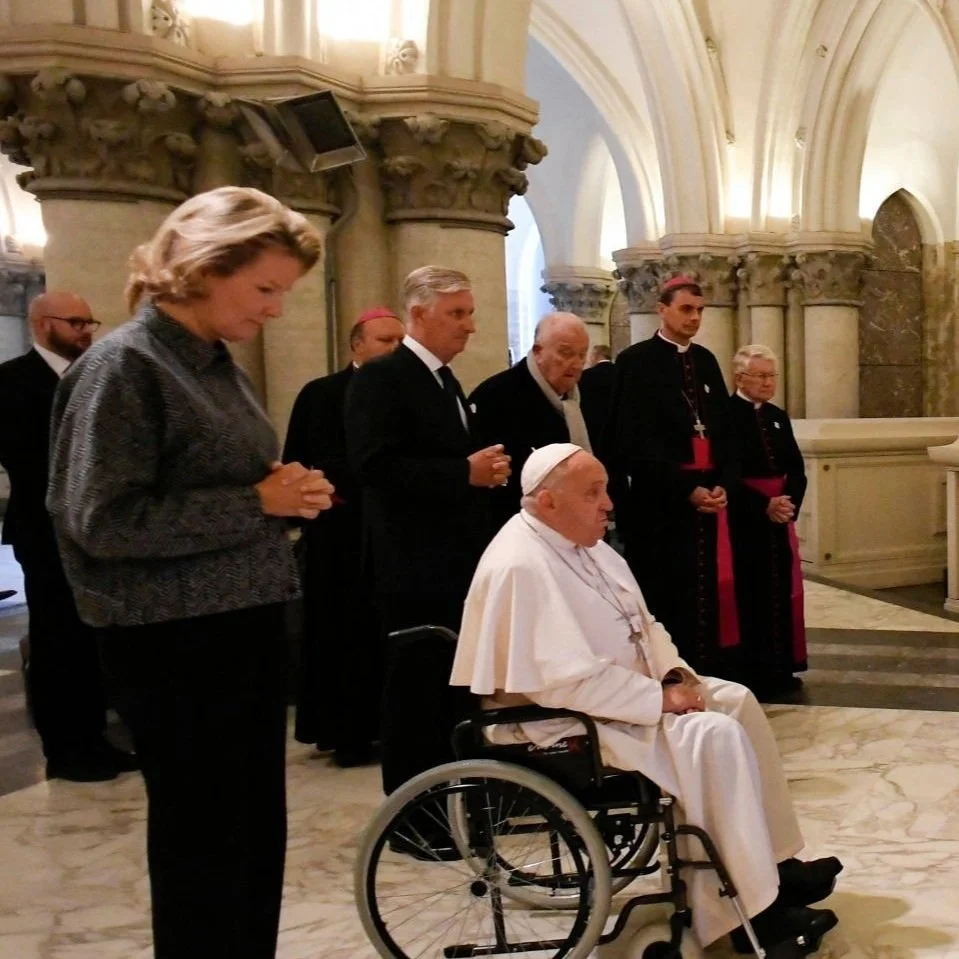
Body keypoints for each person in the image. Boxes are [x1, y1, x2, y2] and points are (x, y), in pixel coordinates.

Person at [46, 186, 334, 959]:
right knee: (203, 852)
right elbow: (98, 520)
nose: (275, 309)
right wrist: (255, 501)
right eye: (265, 288)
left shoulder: (212, 364)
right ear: (204, 267)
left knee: (250, 842)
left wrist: (282, 494)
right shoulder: (124, 365)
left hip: (235, 628)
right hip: (173, 645)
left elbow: (213, 486)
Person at [451, 443, 841, 957]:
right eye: (593, 494)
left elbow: (645, 624)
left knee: (736, 700)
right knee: (712, 734)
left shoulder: (586, 543)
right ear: (546, 501)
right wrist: (661, 700)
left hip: (617, 697)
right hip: (559, 721)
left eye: (606, 490)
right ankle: (751, 916)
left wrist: (676, 674)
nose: (608, 504)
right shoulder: (520, 565)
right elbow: (560, 683)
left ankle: (775, 866)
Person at [345, 265, 510, 817]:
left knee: (448, 691)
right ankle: (414, 815)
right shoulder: (383, 378)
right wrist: (462, 472)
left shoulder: (445, 380)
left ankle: (454, 803)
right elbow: (374, 466)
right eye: (456, 314)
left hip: (453, 561)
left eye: (469, 312)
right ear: (418, 315)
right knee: (415, 692)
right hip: (411, 566)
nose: (469, 326)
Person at [0, 291, 136, 782]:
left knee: (92, 639)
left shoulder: (98, 376)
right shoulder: (12, 381)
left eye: (89, 321)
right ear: (41, 324)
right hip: (46, 528)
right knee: (58, 640)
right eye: (74, 321)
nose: (85, 330)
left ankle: (95, 738)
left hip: (101, 530)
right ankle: (64, 748)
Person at [283, 306, 405, 767]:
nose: (393, 349)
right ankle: (346, 733)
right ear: (356, 345)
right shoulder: (320, 395)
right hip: (339, 536)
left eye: (399, 341)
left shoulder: (404, 393)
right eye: (384, 341)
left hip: (389, 536)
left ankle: (383, 728)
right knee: (341, 637)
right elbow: (297, 460)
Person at [605, 275, 740, 678]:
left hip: (708, 503)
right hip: (661, 508)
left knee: (708, 596)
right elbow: (630, 442)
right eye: (686, 309)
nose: (695, 318)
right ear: (661, 309)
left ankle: (709, 671)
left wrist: (722, 485)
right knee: (669, 595)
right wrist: (687, 489)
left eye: (699, 310)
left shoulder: (706, 362)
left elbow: (725, 432)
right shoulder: (635, 362)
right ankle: (669, 676)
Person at [728, 345, 808, 697]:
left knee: (781, 593)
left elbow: (796, 469)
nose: (767, 382)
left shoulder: (778, 416)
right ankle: (754, 671)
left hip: (780, 518)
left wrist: (787, 503)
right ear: (739, 377)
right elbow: (727, 473)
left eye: (772, 375)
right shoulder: (725, 415)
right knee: (752, 595)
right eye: (760, 375)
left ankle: (782, 666)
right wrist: (764, 505)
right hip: (745, 524)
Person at [470, 312, 591, 531]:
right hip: (519, 526)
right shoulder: (497, 396)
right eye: (566, 353)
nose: (576, 364)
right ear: (538, 352)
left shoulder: (583, 398)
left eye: (582, 355)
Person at [579, 342, 616, 445]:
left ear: (596, 356)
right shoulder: (619, 373)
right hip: (615, 426)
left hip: (591, 426)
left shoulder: (585, 376)